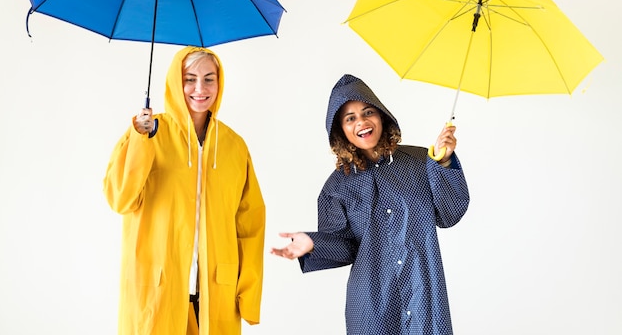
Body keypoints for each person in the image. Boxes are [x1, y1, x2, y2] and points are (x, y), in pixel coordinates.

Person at [271, 74, 469, 335]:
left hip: (424, 296)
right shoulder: (336, 187)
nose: (361, 122)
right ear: (340, 129)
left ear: (382, 116)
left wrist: (443, 163)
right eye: (350, 118)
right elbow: (347, 248)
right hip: (373, 307)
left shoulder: (421, 161)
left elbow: (449, 214)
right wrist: (313, 242)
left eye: (368, 112)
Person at [103, 46, 266, 335]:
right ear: (175, 83)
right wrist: (140, 139)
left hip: (215, 294)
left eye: (209, 78)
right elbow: (119, 198)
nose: (199, 88)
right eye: (189, 78)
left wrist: (249, 294)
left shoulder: (234, 146)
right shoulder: (149, 133)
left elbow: (250, 225)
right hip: (158, 291)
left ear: (220, 82)